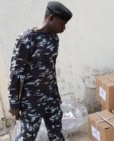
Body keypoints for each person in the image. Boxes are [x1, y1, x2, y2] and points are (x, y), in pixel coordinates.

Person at [8, 1, 72, 141]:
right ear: (51, 18)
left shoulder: (54, 39)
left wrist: (56, 95)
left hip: (51, 98)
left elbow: (51, 69)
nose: (64, 28)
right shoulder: (27, 39)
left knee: (56, 133)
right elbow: (16, 73)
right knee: (28, 136)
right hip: (31, 101)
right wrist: (14, 103)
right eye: (62, 23)